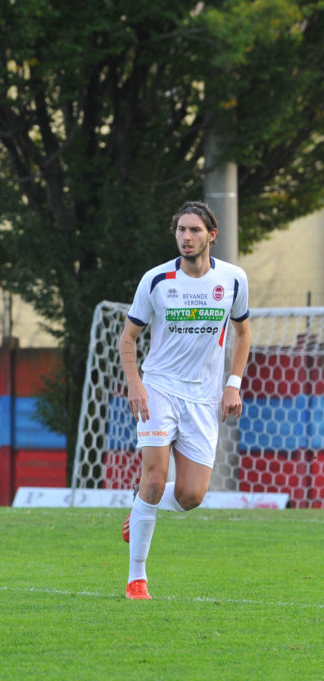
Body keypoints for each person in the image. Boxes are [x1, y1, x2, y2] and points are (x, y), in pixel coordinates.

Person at [118, 201, 251, 600]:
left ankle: (140, 506)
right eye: (180, 230)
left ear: (212, 234)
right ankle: (136, 579)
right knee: (155, 476)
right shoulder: (156, 280)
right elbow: (128, 338)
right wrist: (135, 383)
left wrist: (234, 383)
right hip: (158, 388)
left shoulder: (233, 280)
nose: (186, 237)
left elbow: (243, 334)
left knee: (192, 496)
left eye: (194, 230)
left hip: (204, 397)